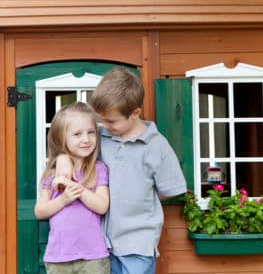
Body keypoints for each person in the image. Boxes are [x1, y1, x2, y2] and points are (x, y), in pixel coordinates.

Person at [55, 68, 187, 274]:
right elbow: (71, 151)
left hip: (137, 243)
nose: (103, 125)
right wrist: (63, 159)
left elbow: (169, 190)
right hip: (97, 244)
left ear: (135, 113)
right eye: (101, 119)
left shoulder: (156, 145)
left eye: (110, 121)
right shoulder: (99, 136)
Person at [34, 102, 110, 274]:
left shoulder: (98, 169)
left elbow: (102, 206)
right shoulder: (51, 175)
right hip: (59, 257)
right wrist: (63, 200)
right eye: (77, 134)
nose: (86, 139)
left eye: (91, 132)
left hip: (93, 256)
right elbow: (40, 211)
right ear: (62, 139)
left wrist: (78, 189)